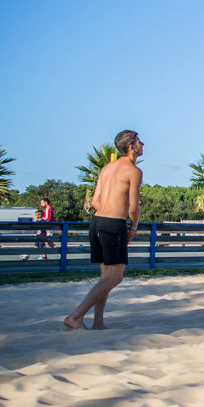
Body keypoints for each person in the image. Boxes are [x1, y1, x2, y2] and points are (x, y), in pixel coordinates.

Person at [64, 130, 143, 330]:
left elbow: (95, 201)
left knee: (105, 277)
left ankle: (98, 322)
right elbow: (133, 207)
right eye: (139, 141)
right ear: (131, 147)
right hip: (113, 224)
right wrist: (132, 227)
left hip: (97, 222)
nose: (143, 144)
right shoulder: (133, 171)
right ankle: (76, 316)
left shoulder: (107, 168)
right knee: (116, 277)